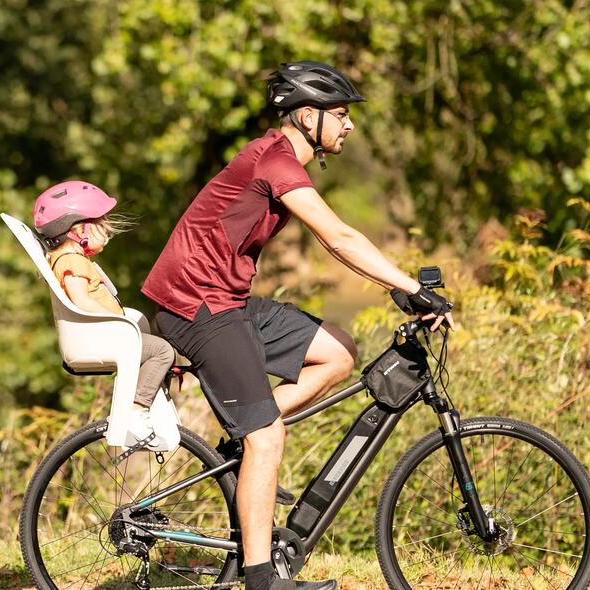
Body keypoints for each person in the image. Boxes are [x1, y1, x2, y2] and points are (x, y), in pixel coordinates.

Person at [141, 61, 453, 590]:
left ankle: (244, 437)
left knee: (339, 352)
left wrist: (399, 285)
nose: (349, 125)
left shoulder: (280, 157)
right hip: (196, 306)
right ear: (308, 117)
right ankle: (263, 578)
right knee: (268, 437)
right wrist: (407, 286)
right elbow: (338, 236)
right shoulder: (275, 161)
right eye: (341, 114)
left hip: (226, 302)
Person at [33, 180, 176, 432]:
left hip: (107, 336)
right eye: (102, 226)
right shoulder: (71, 261)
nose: (108, 232)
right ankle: (136, 411)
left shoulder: (69, 259)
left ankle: (144, 409)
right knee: (162, 351)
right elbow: (81, 300)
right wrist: (120, 322)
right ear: (78, 231)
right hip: (102, 338)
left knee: (156, 351)